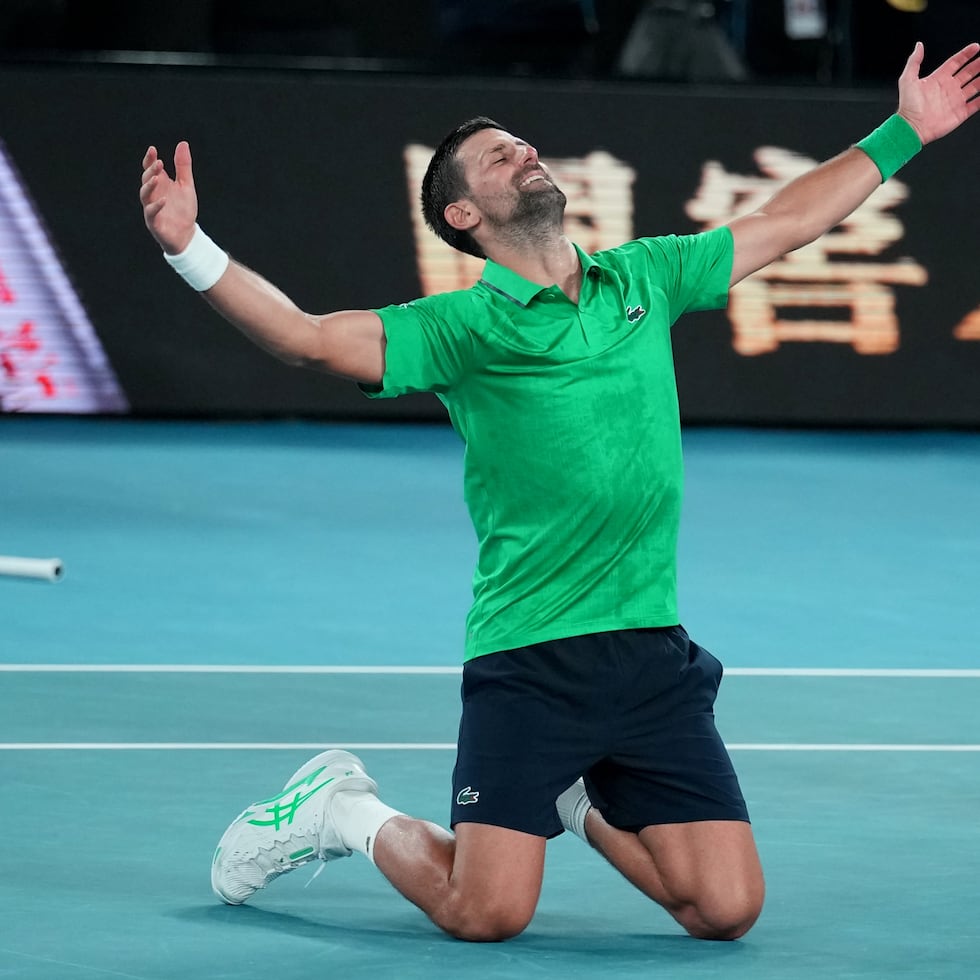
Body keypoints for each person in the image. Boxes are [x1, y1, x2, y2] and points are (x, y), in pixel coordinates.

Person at [140, 42, 979, 943]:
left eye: (525, 145)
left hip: (652, 651)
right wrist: (190, 249)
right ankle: (340, 810)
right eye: (500, 157)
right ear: (463, 212)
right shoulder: (459, 328)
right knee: (486, 912)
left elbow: (785, 221)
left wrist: (906, 132)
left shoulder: (645, 278)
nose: (525, 155)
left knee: (725, 910)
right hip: (531, 659)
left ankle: (576, 798)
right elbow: (307, 338)